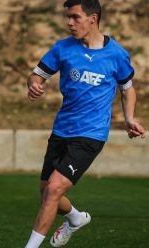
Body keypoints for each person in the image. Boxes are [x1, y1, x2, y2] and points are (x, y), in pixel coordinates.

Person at [24, 0, 146, 247]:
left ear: (93, 18)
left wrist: (129, 118)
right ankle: (76, 218)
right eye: (68, 17)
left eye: (75, 17)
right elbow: (37, 74)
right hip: (61, 130)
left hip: (91, 135)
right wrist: (33, 84)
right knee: (47, 192)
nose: (70, 23)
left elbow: (128, 89)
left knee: (54, 189)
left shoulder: (117, 55)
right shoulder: (62, 48)